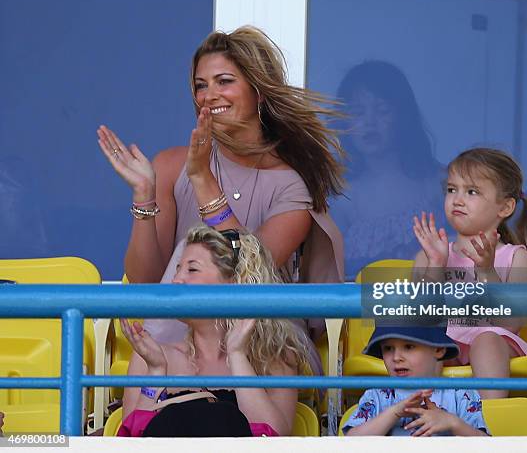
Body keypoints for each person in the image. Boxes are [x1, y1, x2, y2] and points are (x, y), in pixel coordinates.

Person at [97, 25, 344, 346]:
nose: (208, 95)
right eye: (201, 85)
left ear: (258, 90)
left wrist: (203, 181)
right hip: (180, 345)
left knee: (197, 251)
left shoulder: (292, 184)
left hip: (260, 347)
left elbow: (245, 275)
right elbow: (147, 283)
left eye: (224, 81)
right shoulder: (171, 166)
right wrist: (144, 196)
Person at [120, 225, 308, 437]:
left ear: (233, 282)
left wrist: (237, 356)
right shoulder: (151, 357)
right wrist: (155, 372)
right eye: (177, 269)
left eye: (192, 269)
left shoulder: (276, 359)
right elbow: (133, 440)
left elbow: (275, 439)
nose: (176, 280)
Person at [413, 147, 527, 398]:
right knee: (427, 342)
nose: (457, 199)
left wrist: (487, 271)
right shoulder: (428, 254)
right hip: (444, 345)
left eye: (472, 191)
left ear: (505, 207)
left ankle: (489, 422)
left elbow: (510, 324)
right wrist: (436, 263)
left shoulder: (515, 257)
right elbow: (419, 316)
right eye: (451, 190)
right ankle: (423, 412)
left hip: (494, 346)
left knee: (487, 339)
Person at [332, 61, 445, 279]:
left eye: (382, 110)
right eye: (358, 112)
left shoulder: (438, 183)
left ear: (403, 117)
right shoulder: (341, 197)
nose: (369, 122)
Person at [343, 325, 488, 437]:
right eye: (388, 348)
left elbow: (488, 446)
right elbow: (350, 441)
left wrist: (453, 423)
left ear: (438, 349)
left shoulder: (461, 393)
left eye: (409, 346)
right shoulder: (376, 395)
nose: (396, 357)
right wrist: (394, 413)